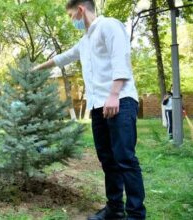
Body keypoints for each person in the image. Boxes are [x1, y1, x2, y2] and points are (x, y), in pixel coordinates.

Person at [32, 0, 146, 219]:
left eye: (70, 15)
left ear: (80, 10)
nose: (71, 20)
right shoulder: (84, 42)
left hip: (119, 101)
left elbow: (121, 59)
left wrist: (113, 95)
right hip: (98, 107)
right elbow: (61, 58)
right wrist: (37, 68)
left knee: (125, 158)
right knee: (107, 160)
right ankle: (115, 209)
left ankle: (135, 214)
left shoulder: (109, 26)